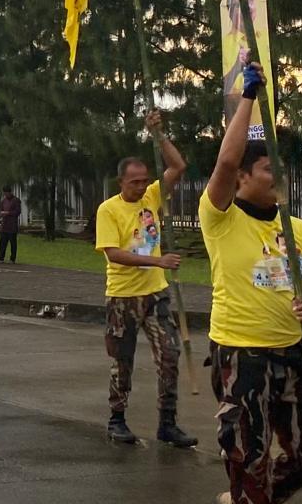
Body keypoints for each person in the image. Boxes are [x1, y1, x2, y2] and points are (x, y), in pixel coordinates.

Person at [203, 64, 302, 504]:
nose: (278, 174)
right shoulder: (220, 218)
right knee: (247, 454)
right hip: (242, 355)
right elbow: (224, 159)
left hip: (293, 355)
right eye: (267, 167)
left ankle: (250, 498)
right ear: (242, 177)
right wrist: (249, 100)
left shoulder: (299, 229)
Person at [94, 110, 196, 448]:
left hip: (155, 295)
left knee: (169, 354)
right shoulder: (108, 210)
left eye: (143, 180)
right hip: (123, 297)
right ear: (121, 182)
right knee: (122, 362)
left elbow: (178, 167)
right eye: (133, 182)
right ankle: (117, 419)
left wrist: (159, 135)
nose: (140, 186)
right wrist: (158, 260)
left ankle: (167, 422)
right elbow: (113, 253)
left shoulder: (153, 197)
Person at [0, 186, 21, 263]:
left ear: (10, 192)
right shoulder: (3, 201)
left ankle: (12, 258)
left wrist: (8, 213)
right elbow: (1, 211)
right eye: (4, 193)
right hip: (4, 225)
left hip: (12, 225)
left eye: (6, 193)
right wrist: (2, 214)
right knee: (2, 242)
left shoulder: (16, 200)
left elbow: (17, 212)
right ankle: (0, 258)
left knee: (13, 243)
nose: (5, 195)